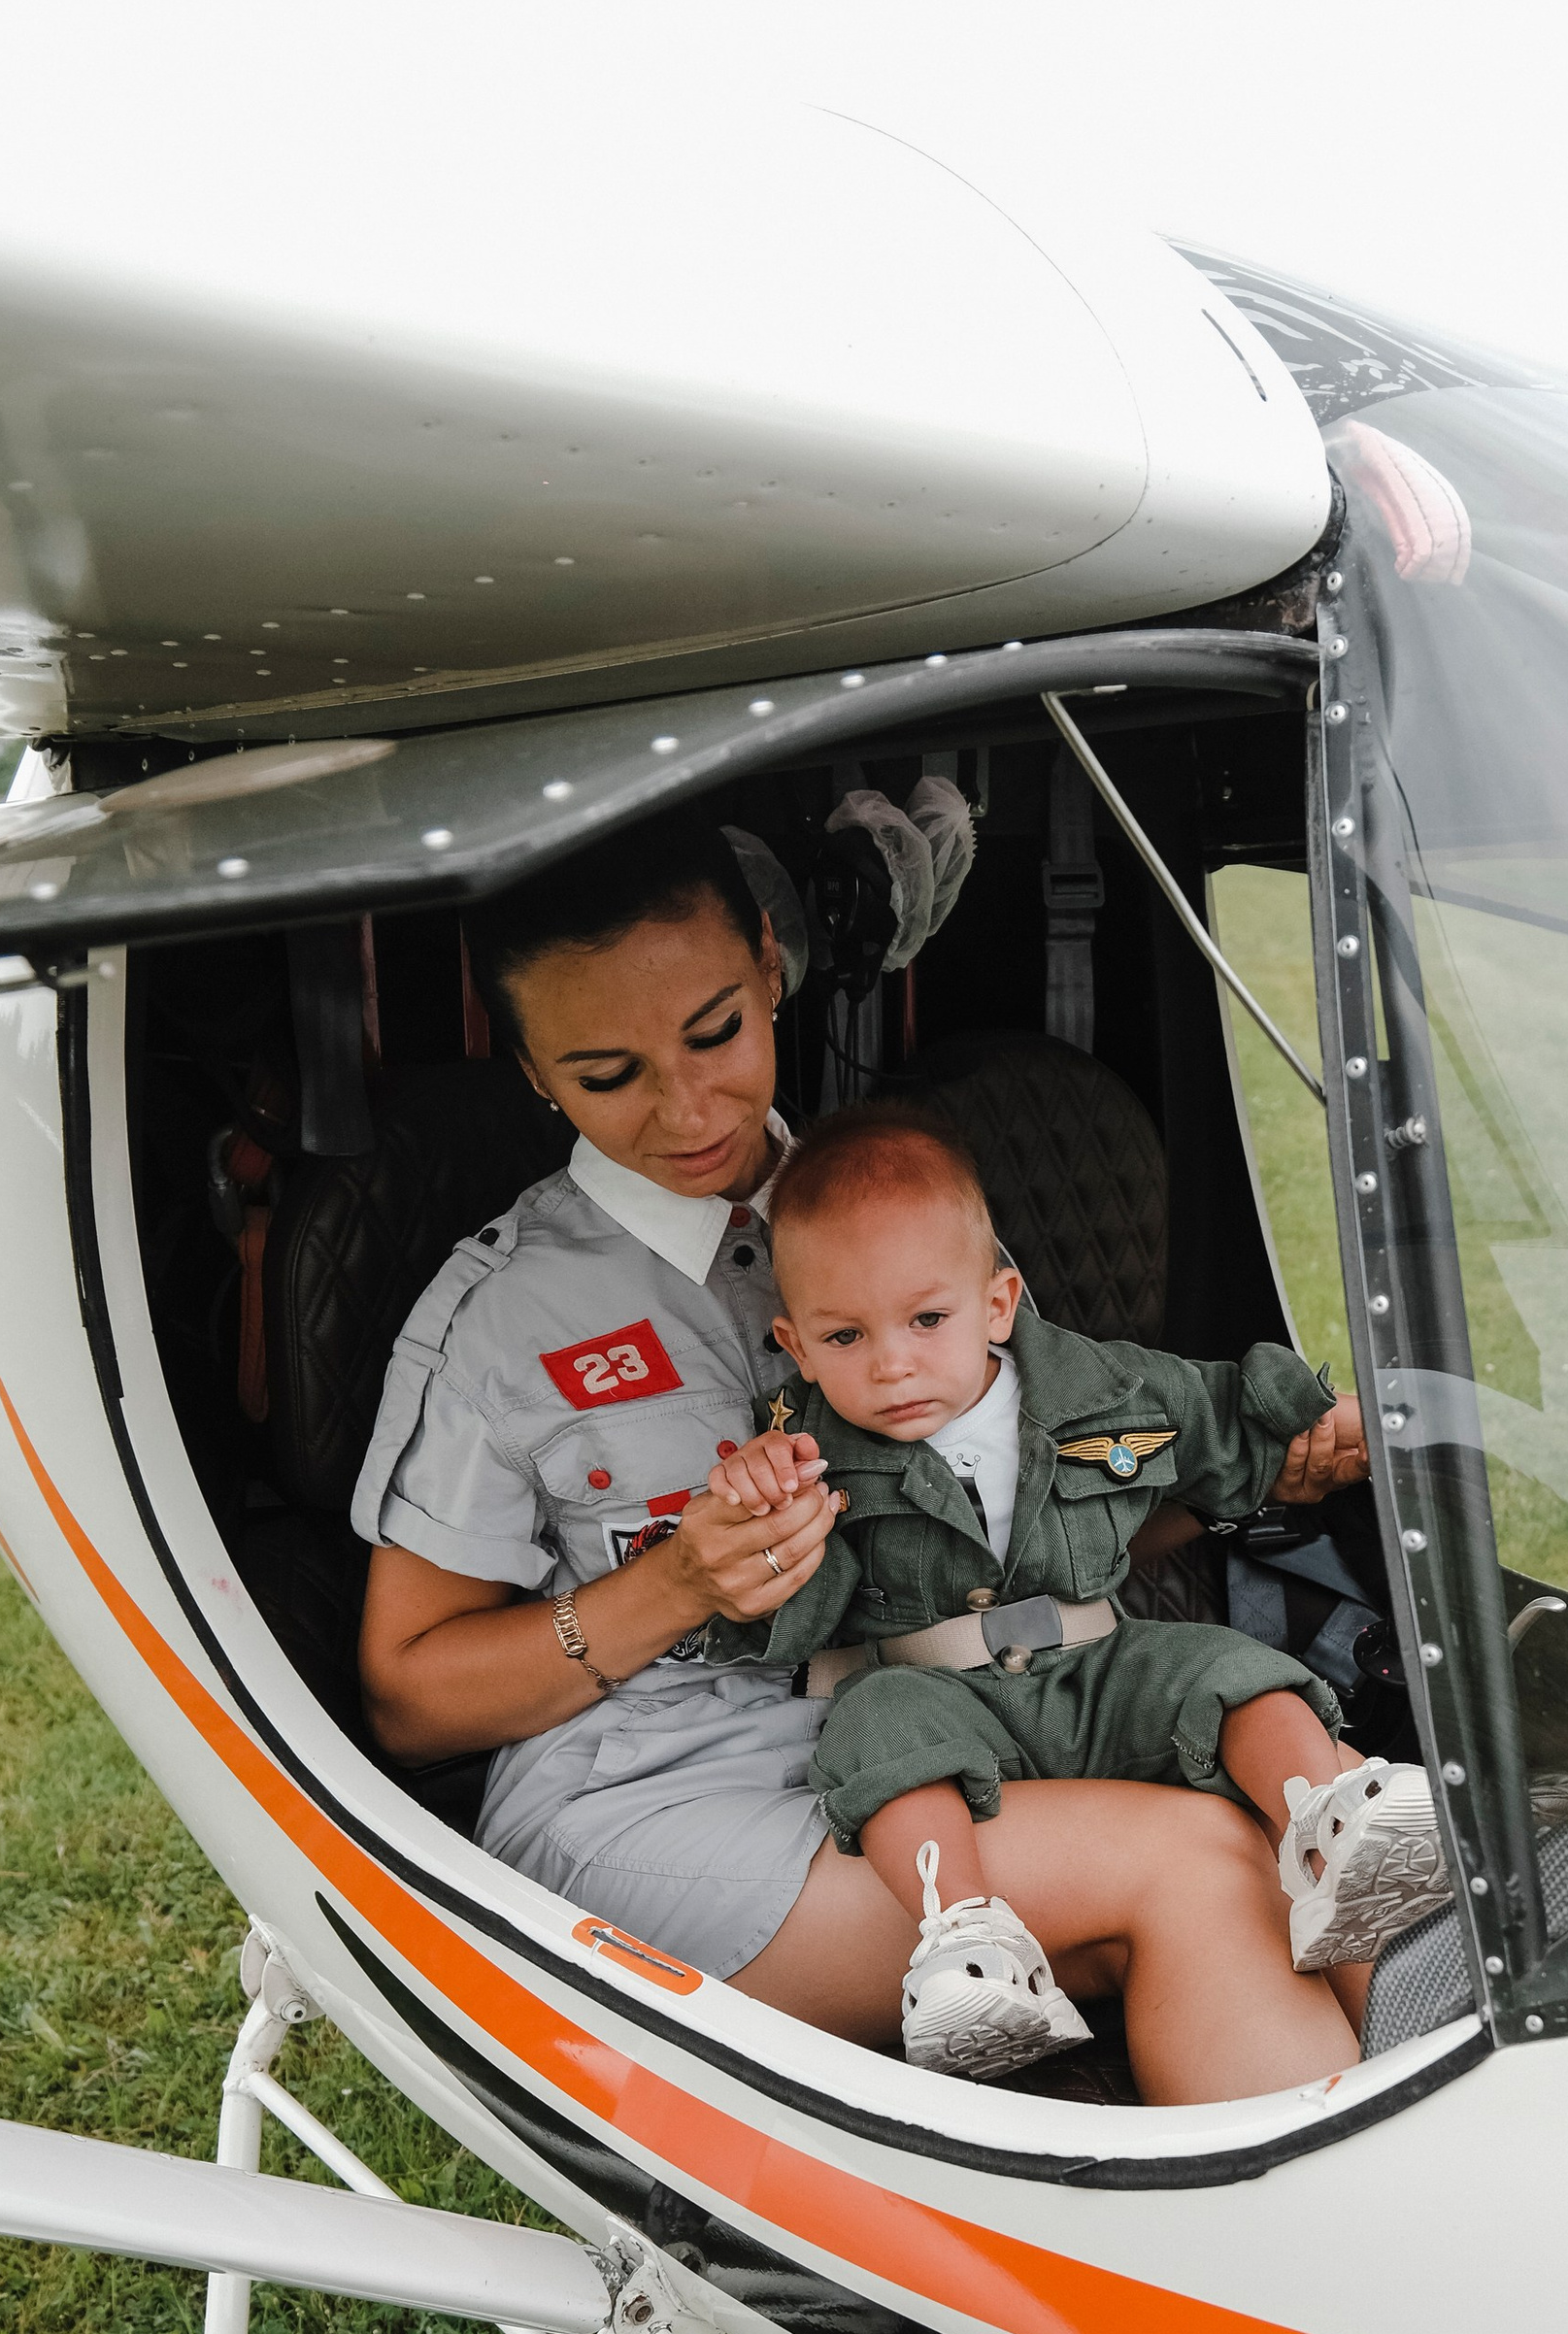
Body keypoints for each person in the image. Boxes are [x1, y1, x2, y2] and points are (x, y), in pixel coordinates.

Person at [351, 820, 1377, 2106]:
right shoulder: (499, 1321)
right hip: (664, 1802)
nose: (686, 1110)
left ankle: (1429, 2200)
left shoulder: (896, 1217)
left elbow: (1024, 1527)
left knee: (1320, 1845)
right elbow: (406, 1696)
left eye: (715, 1033)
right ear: (535, 1075)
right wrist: (676, 1587)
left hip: (951, 1727)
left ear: (772, 967)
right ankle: (1333, 2268)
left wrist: (1252, 1490)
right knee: (1203, 1862)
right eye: (608, 1075)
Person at [701, 1106, 1446, 2076]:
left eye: (929, 1320)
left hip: (1098, 1663)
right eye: (846, 1337)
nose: (892, 1363)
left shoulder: (1095, 1392)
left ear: (998, 1304)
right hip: (939, 1691)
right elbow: (774, 1610)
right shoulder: (799, 1454)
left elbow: (1217, 1412)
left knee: (1226, 1670)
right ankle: (965, 1940)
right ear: (795, 1346)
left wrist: (1311, 1418)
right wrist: (759, 1520)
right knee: (874, 1732)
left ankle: (1329, 1817)